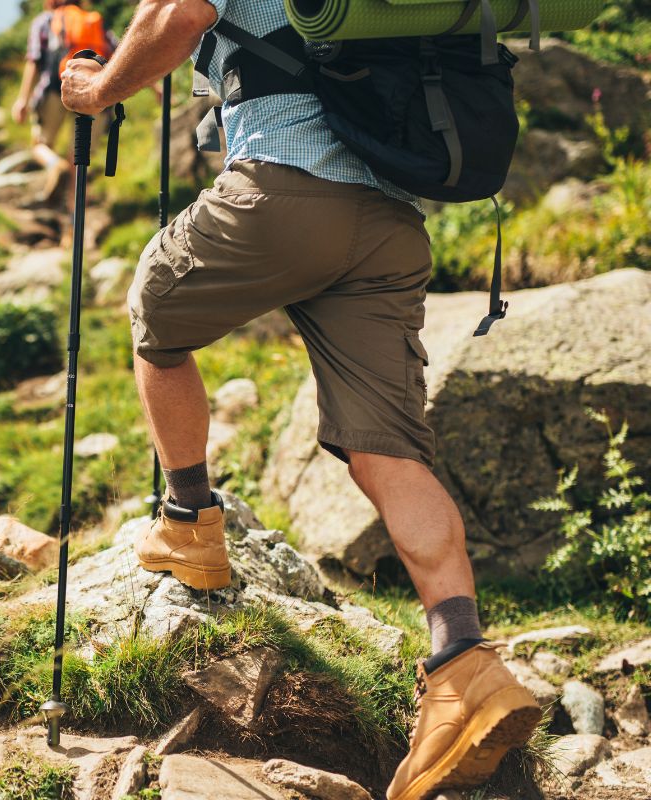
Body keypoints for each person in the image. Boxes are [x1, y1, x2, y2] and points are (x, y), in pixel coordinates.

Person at [58, 1, 540, 798]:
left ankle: (190, 525)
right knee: (387, 452)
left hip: (284, 191)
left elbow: (178, 12)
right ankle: (464, 663)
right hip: (388, 225)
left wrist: (102, 87)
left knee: (154, 308)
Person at [11, 0, 116, 208]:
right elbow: (119, 56)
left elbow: (34, 60)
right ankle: (74, 220)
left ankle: (54, 165)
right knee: (79, 161)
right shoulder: (94, 21)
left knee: (39, 144)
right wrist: (155, 88)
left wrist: (23, 99)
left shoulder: (45, 21)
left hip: (53, 88)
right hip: (90, 90)